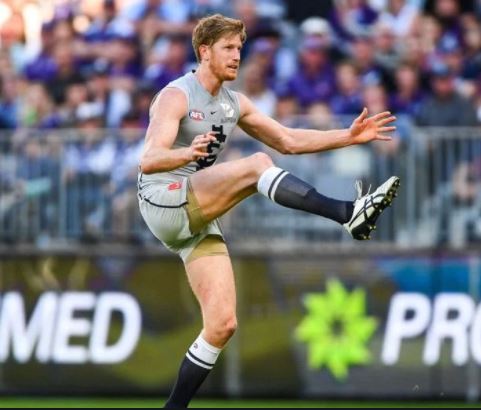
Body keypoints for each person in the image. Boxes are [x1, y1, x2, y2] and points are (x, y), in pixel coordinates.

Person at [138, 14, 400, 408]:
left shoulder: (234, 103)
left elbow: (289, 140)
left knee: (222, 325)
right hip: (162, 198)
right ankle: (349, 213)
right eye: (228, 47)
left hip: (193, 216)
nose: (236, 55)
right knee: (256, 164)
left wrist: (348, 136)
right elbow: (148, 159)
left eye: (239, 48)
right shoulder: (177, 95)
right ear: (204, 51)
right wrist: (185, 153)